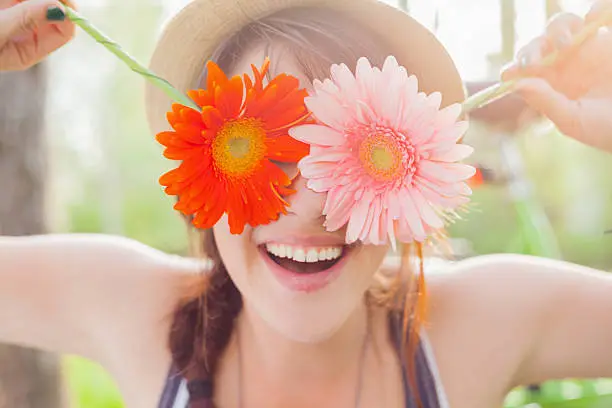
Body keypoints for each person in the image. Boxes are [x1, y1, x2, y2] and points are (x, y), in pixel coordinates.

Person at [0, 1, 611, 408]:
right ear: (203, 166)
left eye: (358, 150)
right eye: (266, 149)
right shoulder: (136, 310)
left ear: (413, 166)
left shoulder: (487, 320)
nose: (312, 204)